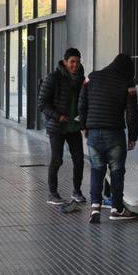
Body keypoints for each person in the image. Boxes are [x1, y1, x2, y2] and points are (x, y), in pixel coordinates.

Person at [77, 53, 138, 222]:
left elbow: (82, 103)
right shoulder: (128, 83)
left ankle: (95, 208)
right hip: (114, 134)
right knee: (117, 172)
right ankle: (117, 209)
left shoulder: (92, 77)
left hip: (93, 133)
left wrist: (83, 126)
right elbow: (132, 113)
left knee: (97, 170)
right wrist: (133, 136)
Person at [38, 48, 87, 205]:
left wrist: (84, 123)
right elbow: (42, 103)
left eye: (77, 62)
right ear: (65, 62)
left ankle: (77, 191)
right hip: (57, 127)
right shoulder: (53, 78)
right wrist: (58, 116)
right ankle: (52, 193)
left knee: (79, 160)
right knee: (57, 160)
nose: (75, 65)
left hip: (74, 127)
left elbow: (84, 102)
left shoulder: (82, 79)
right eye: (72, 62)